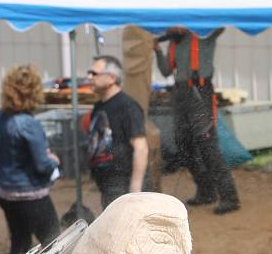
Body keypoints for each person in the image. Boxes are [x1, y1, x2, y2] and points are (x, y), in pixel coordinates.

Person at [154, 27, 241, 214]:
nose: (170, 29)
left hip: (200, 94)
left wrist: (197, 18)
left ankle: (230, 198)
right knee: (184, 145)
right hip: (180, 95)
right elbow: (166, 70)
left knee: (208, 147)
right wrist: (157, 51)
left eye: (174, 25)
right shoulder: (173, 42)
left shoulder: (204, 35)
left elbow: (221, 24)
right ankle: (206, 191)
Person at [0, 64, 61, 254]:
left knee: (19, 246)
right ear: (34, 92)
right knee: (53, 243)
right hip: (31, 194)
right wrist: (53, 161)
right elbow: (41, 164)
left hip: (6, 192)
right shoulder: (29, 124)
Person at [86, 55, 149, 210]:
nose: (89, 77)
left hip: (123, 185)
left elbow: (141, 148)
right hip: (107, 184)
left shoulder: (128, 106)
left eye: (94, 74)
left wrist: (135, 190)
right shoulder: (99, 107)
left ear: (111, 78)